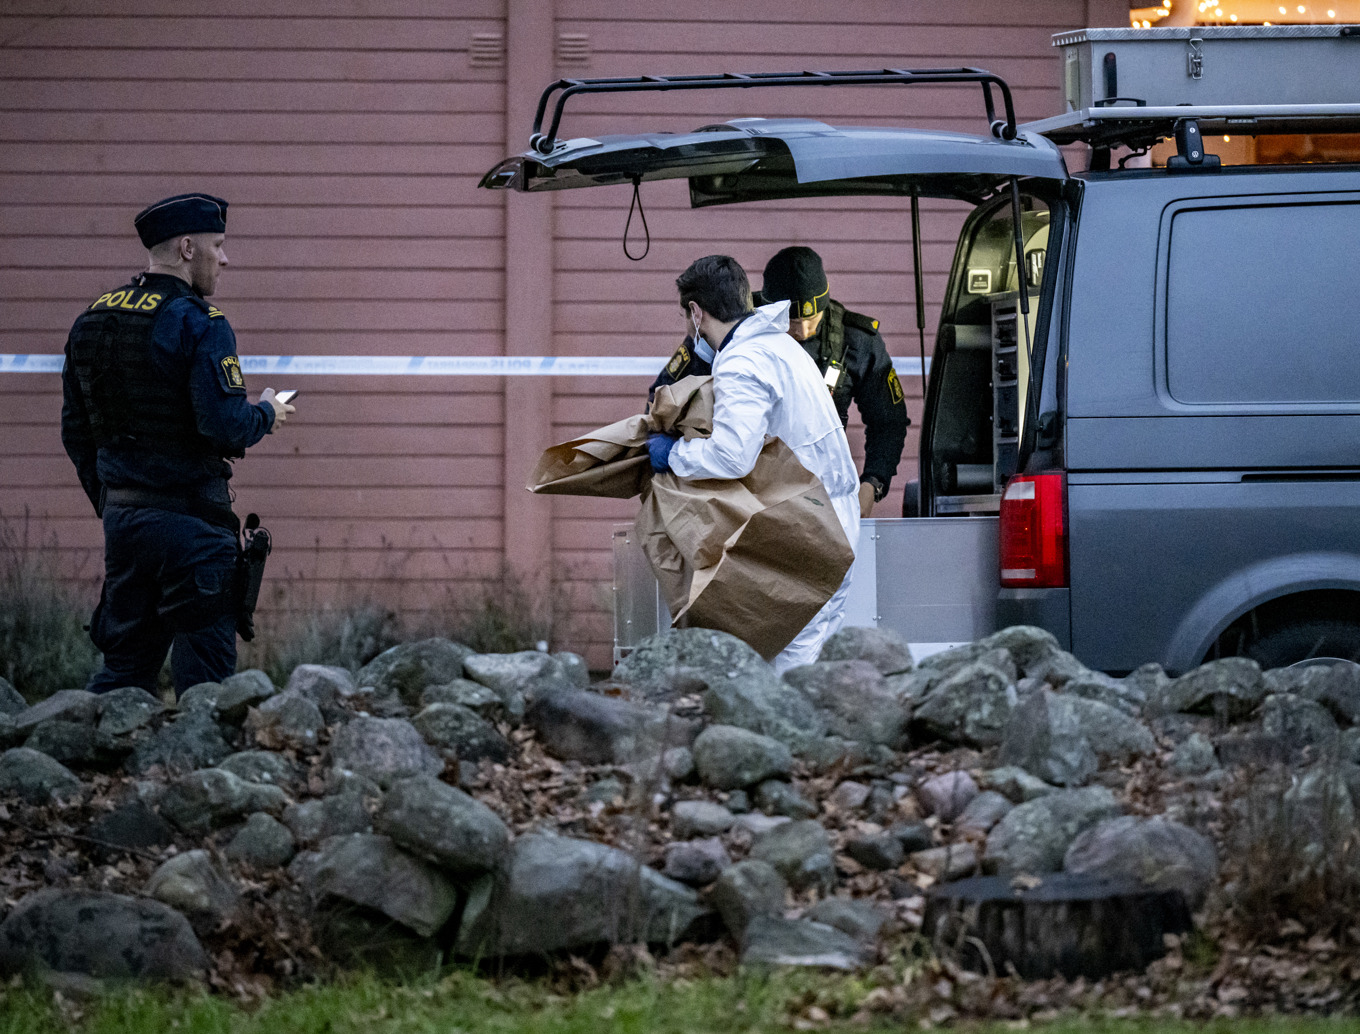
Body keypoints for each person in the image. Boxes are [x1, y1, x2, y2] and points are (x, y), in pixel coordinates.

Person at [60, 192, 296, 697]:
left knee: (122, 677)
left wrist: (113, 503)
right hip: (193, 531)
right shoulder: (199, 322)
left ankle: (90, 764)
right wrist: (267, 414)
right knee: (206, 690)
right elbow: (225, 427)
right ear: (188, 248)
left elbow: (75, 431)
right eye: (219, 245)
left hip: (125, 526)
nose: (225, 259)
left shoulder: (93, 320)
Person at [646, 254, 860, 672]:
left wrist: (672, 454)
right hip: (833, 524)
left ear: (696, 312)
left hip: (809, 535)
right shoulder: (779, 344)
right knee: (816, 673)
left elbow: (731, 456)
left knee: (788, 676)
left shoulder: (743, 363)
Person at [650, 246, 908, 517]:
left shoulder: (855, 341)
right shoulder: (735, 329)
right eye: (793, 321)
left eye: (813, 319)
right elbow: (666, 396)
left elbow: (888, 421)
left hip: (817, 493)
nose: (804, 331)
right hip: (744, 489)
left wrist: (872, 485)